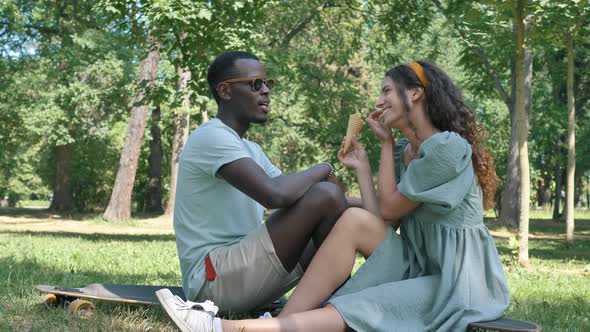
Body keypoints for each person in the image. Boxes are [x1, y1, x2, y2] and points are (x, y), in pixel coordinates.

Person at [157, 60, 510, 332]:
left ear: (415, 93)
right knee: (352, 220)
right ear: (224, 91)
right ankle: (286, 320)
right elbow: (383, 219)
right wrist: (360, 166)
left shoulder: (446, 148)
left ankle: (223, 327)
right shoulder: (406, 150)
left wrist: (353, 166)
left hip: (456, 277)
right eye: (256, 84)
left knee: (356, 307)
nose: (378, 100)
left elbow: (383, 207)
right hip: (419, 263)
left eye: (386, 91)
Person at [166, 51, 348, 316]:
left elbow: (305, 195)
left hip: (246, 272)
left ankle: (337, 302)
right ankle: (339, 305)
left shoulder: (250, 149)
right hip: (212, 282)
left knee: (336, 209)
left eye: (267, 84)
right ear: (225, 91)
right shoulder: (211, 136)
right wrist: (324, 167)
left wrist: (383, 208)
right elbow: (275, 195)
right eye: (255, 84)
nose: (266, 91)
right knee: (326, 196)